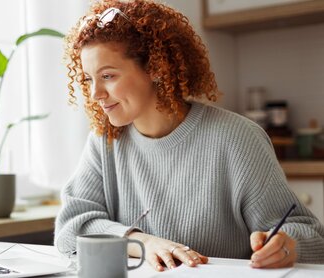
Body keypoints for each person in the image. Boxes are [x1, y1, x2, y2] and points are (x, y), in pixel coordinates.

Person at [54, 0, 324, 272]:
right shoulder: (105, 141)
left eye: (108, 76)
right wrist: (141, 242)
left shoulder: (238, 139)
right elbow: (71, 228)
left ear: (157, 68)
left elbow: (309, 234)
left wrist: (286, 245)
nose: (95, 94)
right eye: (88, 79)